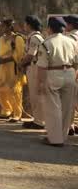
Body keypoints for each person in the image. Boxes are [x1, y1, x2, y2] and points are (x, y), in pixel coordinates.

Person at [37, 17, 78, 146]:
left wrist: (41, 83)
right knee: (67, 108)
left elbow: (42, 66)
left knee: (53, 108)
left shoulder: (46, 43)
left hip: (53, 73)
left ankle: (55, 139)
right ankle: (63, 136)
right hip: (70, 73)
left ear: (49, 28)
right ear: (63, 28)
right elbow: (76, 62)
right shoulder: (71, 41)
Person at [0, 19, 27, 122]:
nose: (1, 28)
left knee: (15, 91)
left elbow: (20, 54)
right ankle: (6, 111)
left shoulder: (17, 38)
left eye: (3, 26)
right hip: (2, 67)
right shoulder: (1, 38)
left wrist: (6, 59)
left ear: (9, 27)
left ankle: (17, 114)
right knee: (0, 88)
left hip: (13, 67)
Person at [20, 16, 46, 129]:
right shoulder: (33, 37)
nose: (24, 26)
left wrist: (21, 63)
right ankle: (37, 119)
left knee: (36, 95)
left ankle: (40, 121)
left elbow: (31, 55)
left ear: (29, 25)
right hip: (33, 67)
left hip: (35, 67)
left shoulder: (35, 38)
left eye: (25, 24)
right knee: (34, 95)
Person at [64, 15, 78, 135]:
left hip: (73, 71)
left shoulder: (70, 38)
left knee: (70, 101)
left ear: (71, 25)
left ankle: (69, 126)